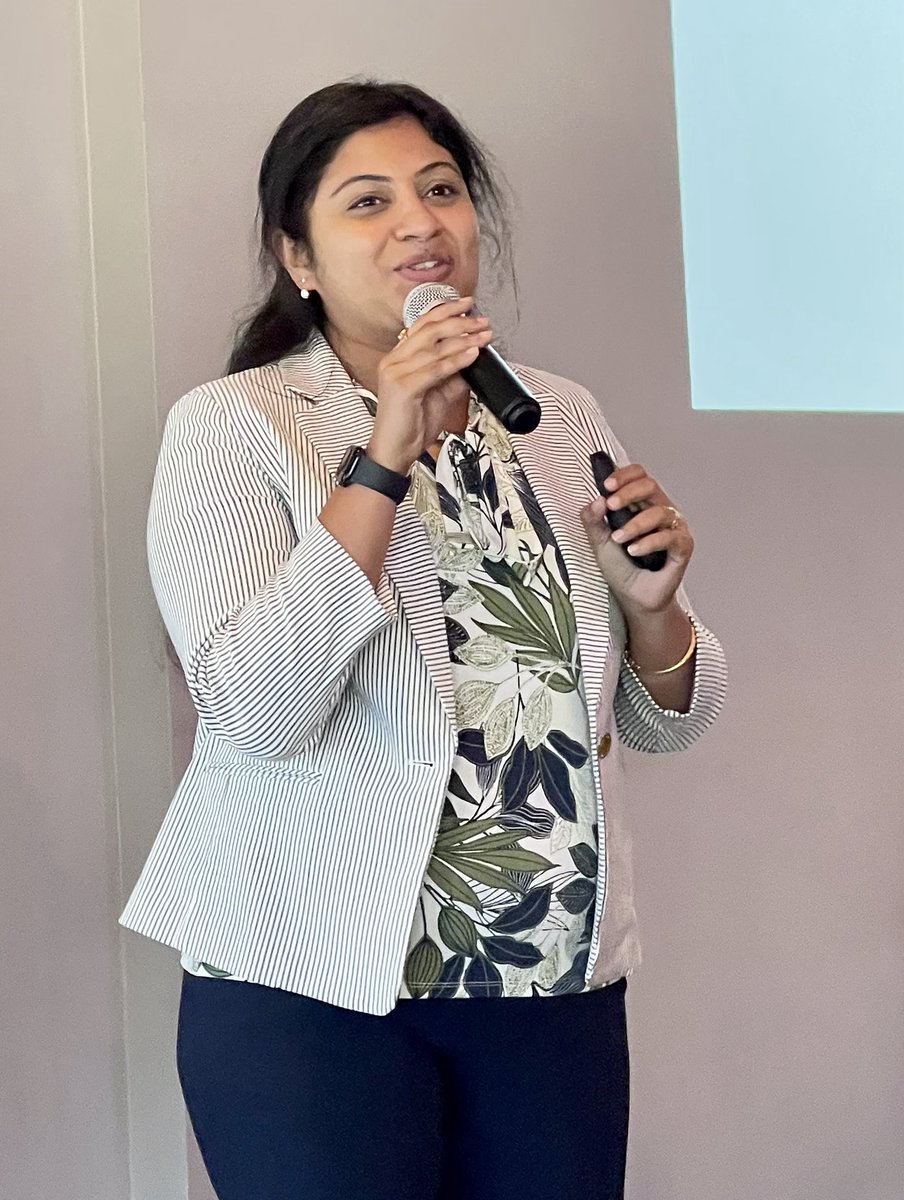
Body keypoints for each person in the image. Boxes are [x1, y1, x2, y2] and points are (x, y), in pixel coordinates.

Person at [121, 79, 727, 1200]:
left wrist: (654, 610)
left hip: (550, 989)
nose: (419, 222)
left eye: (441, 191)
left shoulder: (558, 415)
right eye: (367, 201)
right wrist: (386, 452)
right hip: (315, 993)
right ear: (295, 256)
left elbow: (655, 719)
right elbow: (256, 708)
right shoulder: (234, 425)